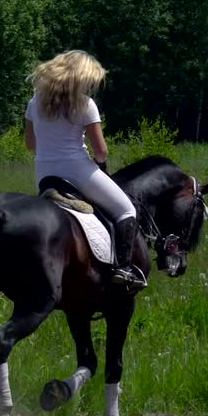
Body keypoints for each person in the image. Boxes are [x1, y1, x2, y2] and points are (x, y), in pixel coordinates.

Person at [23, 50, 147, 290]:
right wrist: (100, 164)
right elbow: (101, 150)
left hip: (44, 174)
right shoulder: (85, 104)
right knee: (126, 211)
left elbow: (30, 144)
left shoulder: (35, 102)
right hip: (78, 172)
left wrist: (51, 150)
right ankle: (122, 268)